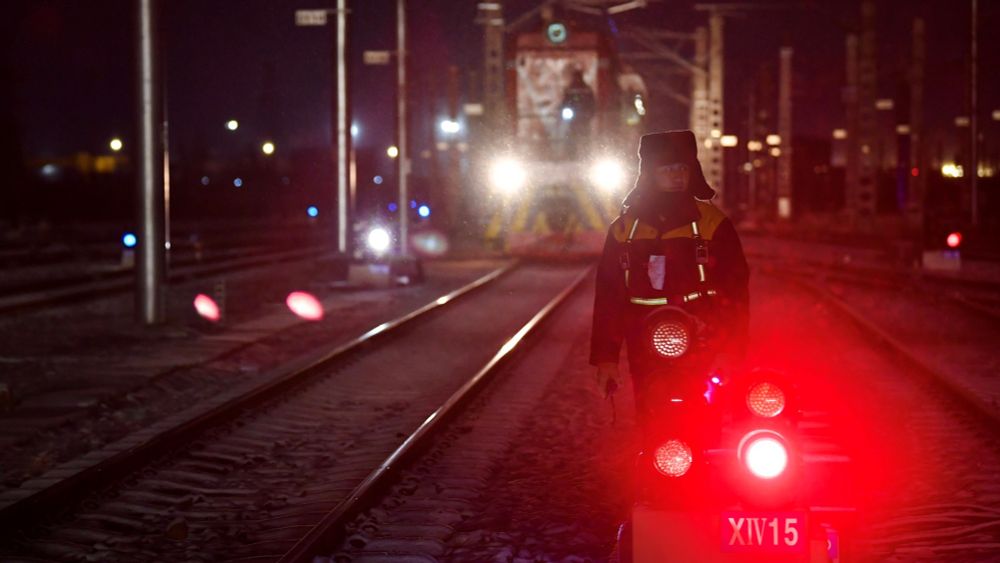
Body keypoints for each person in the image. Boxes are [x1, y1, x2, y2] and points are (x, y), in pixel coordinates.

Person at [589, 130, 749, 417]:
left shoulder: (713, 224)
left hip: (703, 342)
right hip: (644, 346)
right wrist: (606, 359)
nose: (677, 176)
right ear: (650, 173)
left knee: (703, 416)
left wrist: (731, 351)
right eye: (667, 169)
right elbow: (608, 298)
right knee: (651, 414)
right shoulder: (625, 230)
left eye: (682, 168)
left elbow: (736, 292)